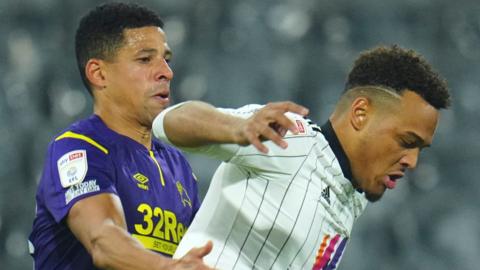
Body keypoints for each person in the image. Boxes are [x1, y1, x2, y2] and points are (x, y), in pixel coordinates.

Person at [151, 45, 451, 269]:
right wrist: (238, 128)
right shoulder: (291, 139)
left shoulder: (350, 197)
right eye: (406, 141)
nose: (412, 161)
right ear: (361, 114)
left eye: (419, 149)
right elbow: (169, 123)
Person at [28, 3, 215, 269]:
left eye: (166, 59)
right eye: (145, 59)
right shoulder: (78, 149)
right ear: (99, 73)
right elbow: (104, 242)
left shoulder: (178, 166)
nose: (167, 72)